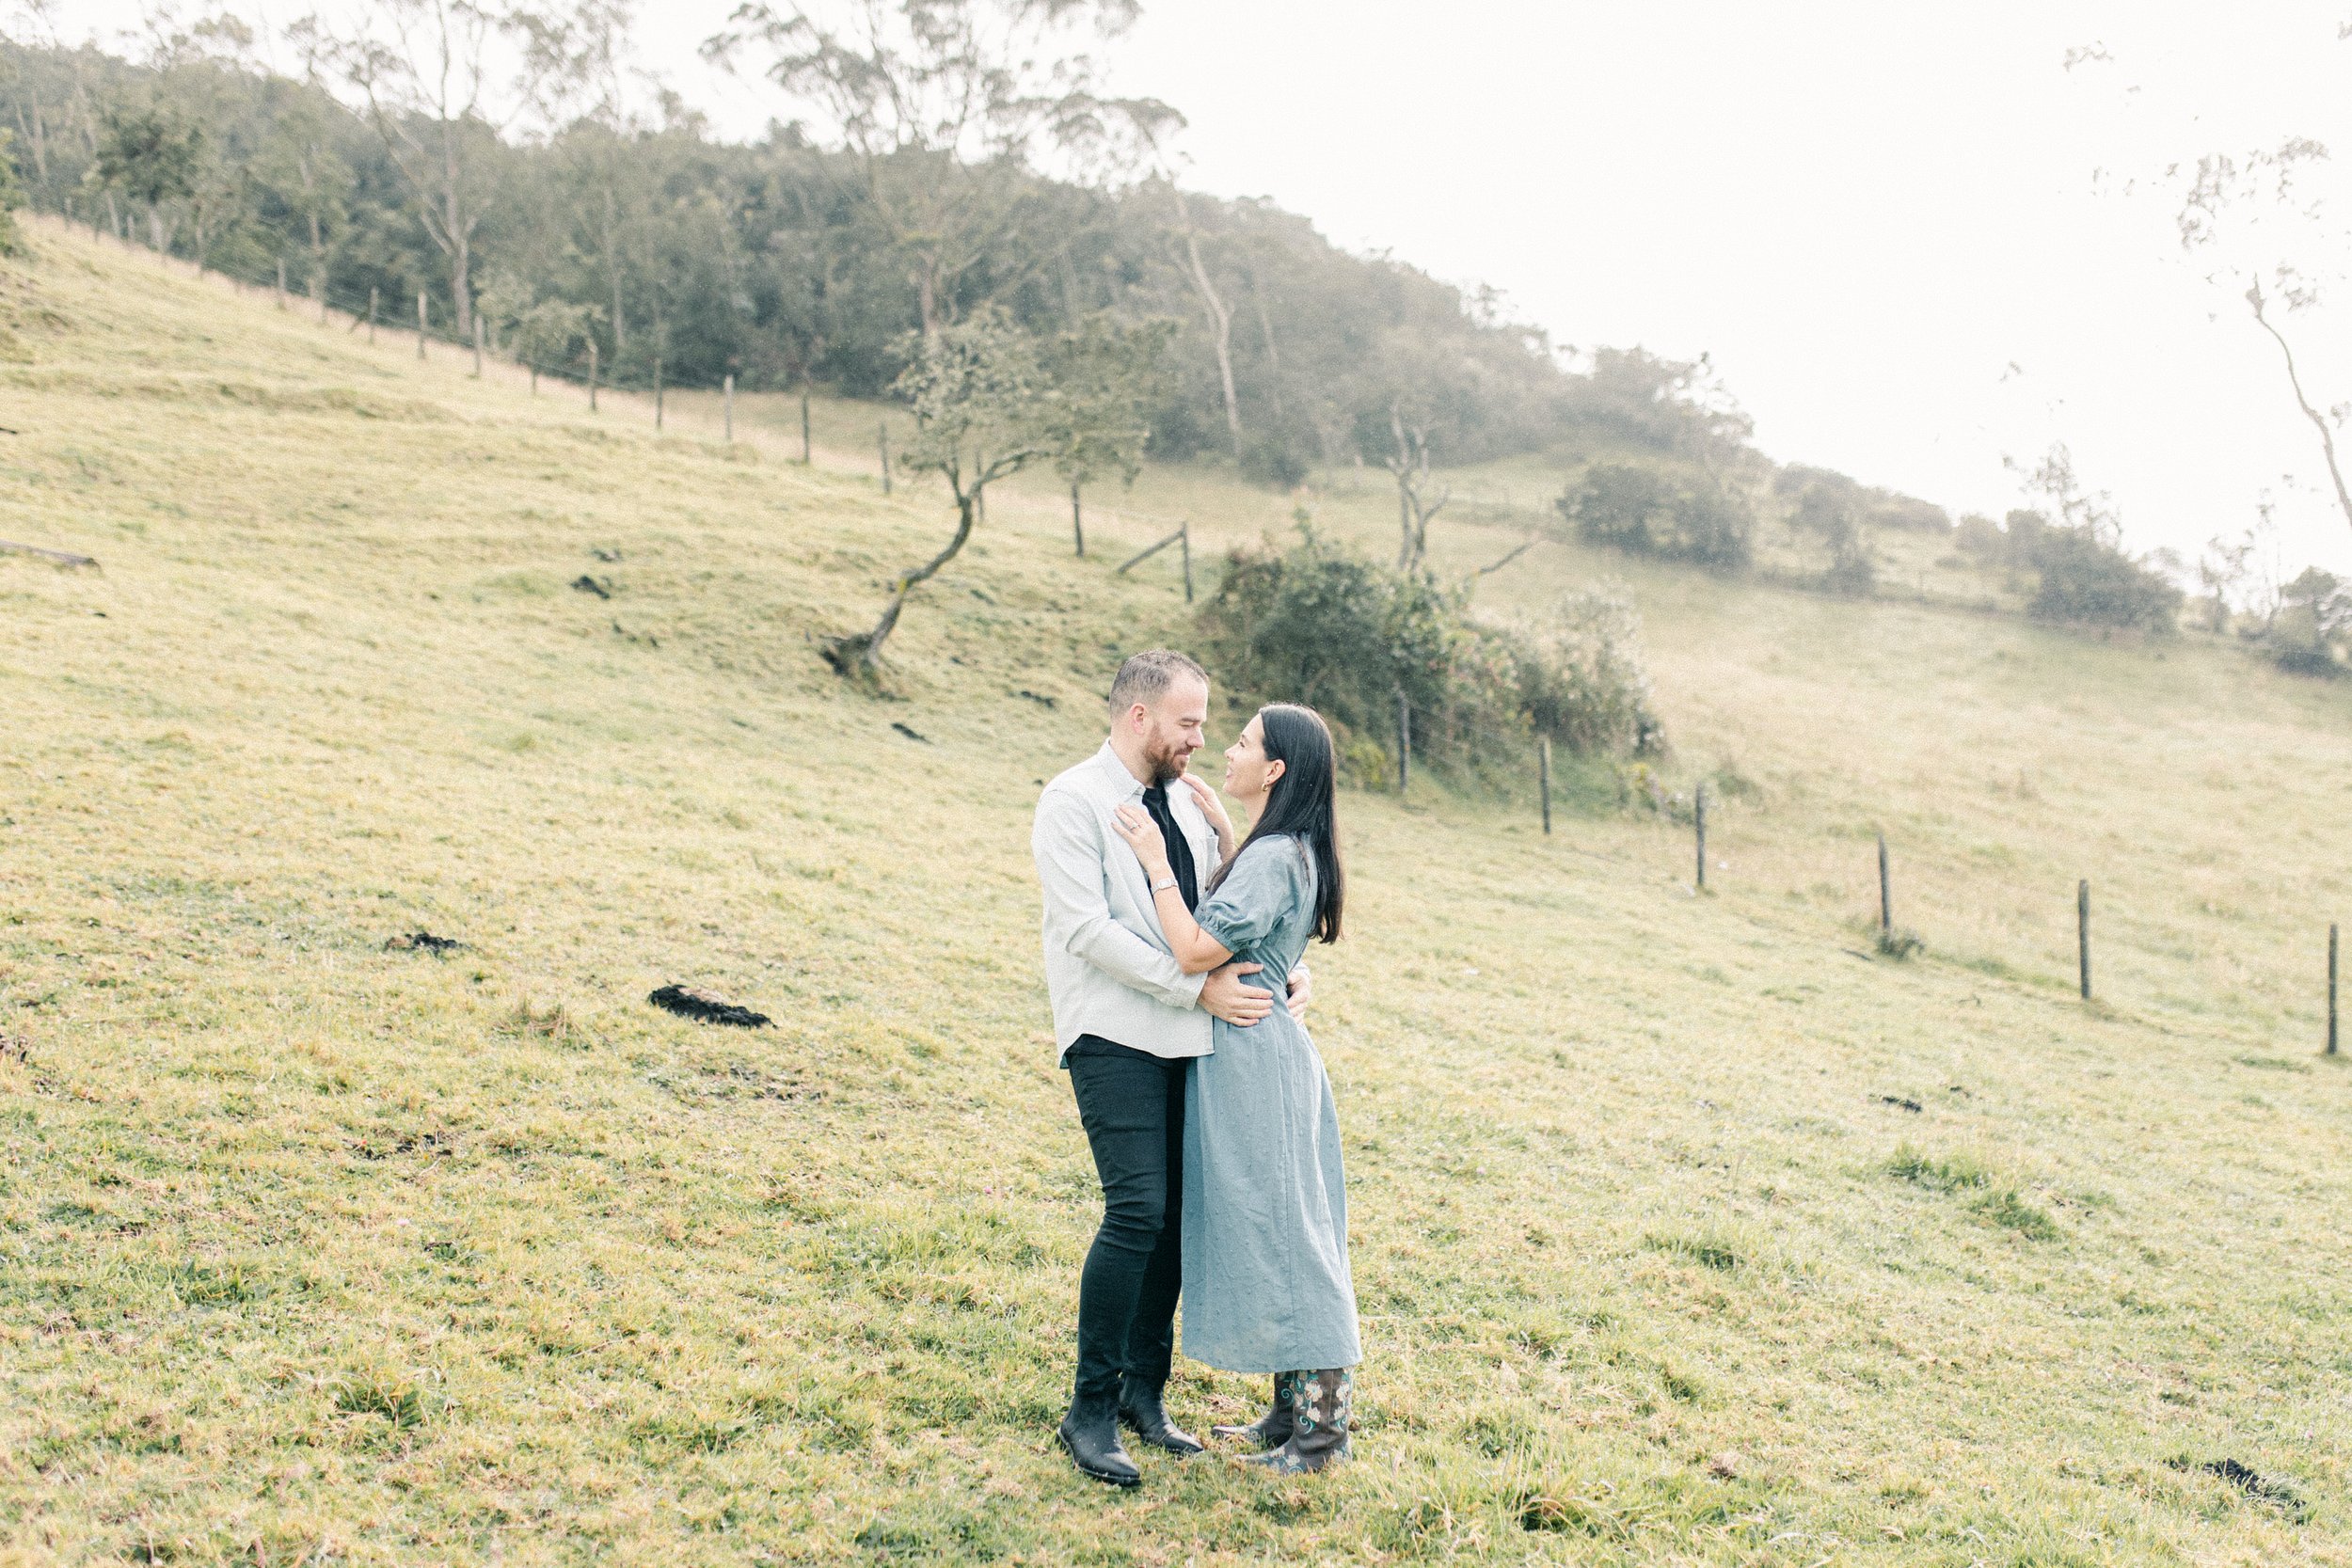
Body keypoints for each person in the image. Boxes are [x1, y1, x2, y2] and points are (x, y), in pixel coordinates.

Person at [1032, 651, 1311, 1488]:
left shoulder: (1189, 808)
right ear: (1140, 717)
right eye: (1189, 723)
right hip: (1112, 1032)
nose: (1200, 739)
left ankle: (1142, 1395)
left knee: (1178, 1217)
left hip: (1191, 1037)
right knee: (1137, 1209)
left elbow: (1221, 910)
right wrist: (1197, 989)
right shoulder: (1071, 800)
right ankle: (1087, 1410)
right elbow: (1088, 929)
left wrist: (1282, 971)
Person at [1108, 702, 1360, 1474]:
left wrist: (1156, 859)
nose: (1227, 748)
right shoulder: (1281, 845)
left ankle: (1321, 1435)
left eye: (1244, 741)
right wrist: (1224, 830)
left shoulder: (1277, 854)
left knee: (1293, 1237)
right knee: (1275, 1227)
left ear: (1275, 769)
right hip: (1254, 1053)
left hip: (1256, 1057)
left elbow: (1192, 948)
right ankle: (1290, 1415)